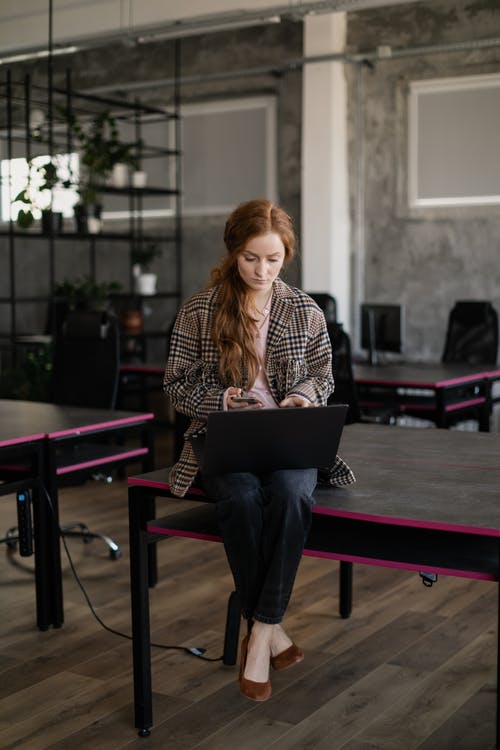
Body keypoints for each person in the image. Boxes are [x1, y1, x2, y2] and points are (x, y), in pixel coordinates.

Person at [163, 198, 334, 702]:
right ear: (233, 253)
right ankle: (272, 628)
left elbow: (323, 374)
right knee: (237, 497)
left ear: (287, 257)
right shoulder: (202, 309)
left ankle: (258, 633)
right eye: (250, 258)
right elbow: (175, 384)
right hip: (226, 436)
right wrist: (221, 398)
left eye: (273, 260)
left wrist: (304, 395)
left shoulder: (304, 308)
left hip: (288, 437)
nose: (262, 270)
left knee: (293, 492)